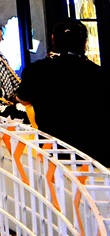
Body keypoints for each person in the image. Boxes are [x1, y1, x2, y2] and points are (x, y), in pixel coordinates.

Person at [17, 20, 109, 165]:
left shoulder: (34, 71)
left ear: (53, 39)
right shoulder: (101, 75)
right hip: (95, 159)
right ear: (85, 43)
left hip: (53, 156)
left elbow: (23, 99)